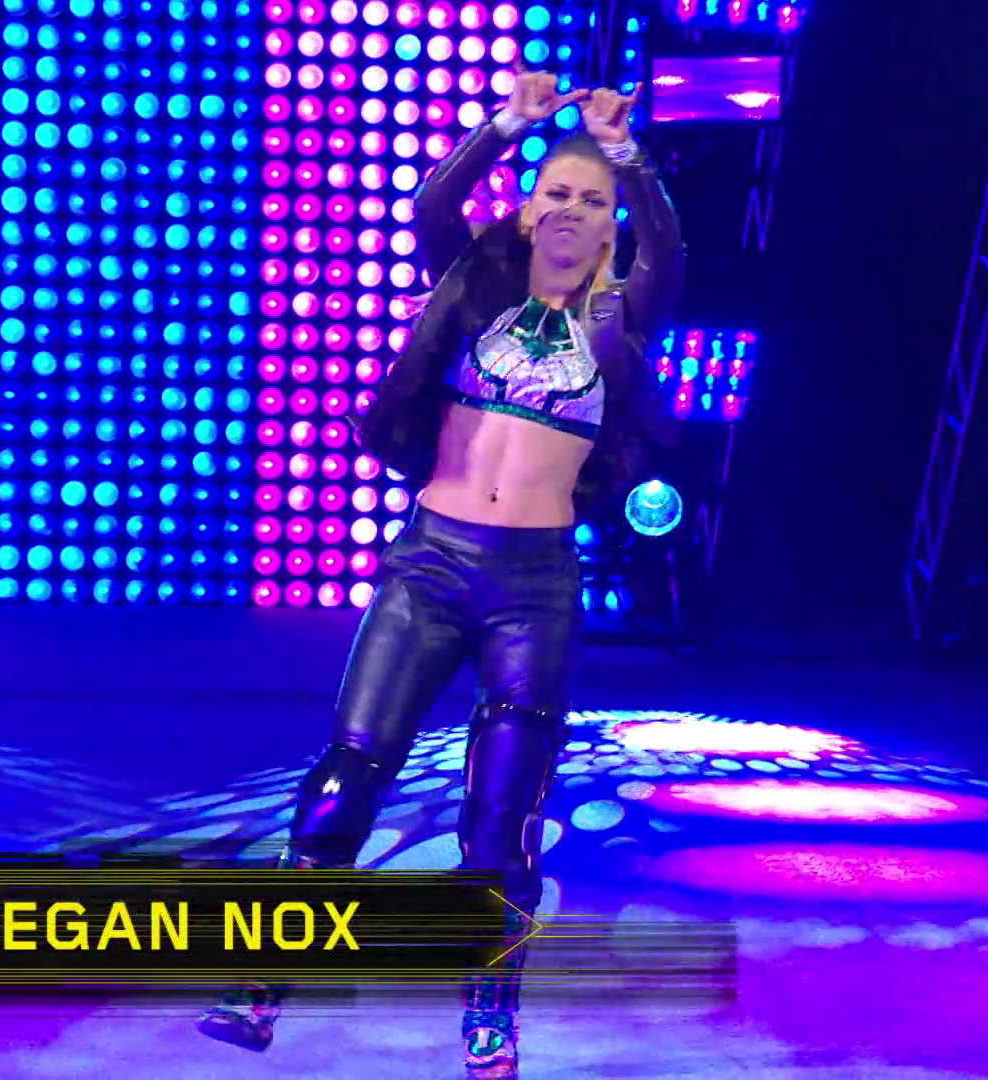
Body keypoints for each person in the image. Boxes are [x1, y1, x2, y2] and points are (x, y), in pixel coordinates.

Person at [198, 66, 684, 1079]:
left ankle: (489, 1017)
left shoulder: (622, 314)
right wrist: (505, 125)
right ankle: (262, 983)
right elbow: (431, 204)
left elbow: (670, 248)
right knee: (348, 774)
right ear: (529, 206)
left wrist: (626, 156)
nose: (572, 210)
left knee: (501, 821)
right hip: (430, 565)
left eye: (593, 201)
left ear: (610, 228)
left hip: (534, 589)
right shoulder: (475, 281)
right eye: (557, 192)